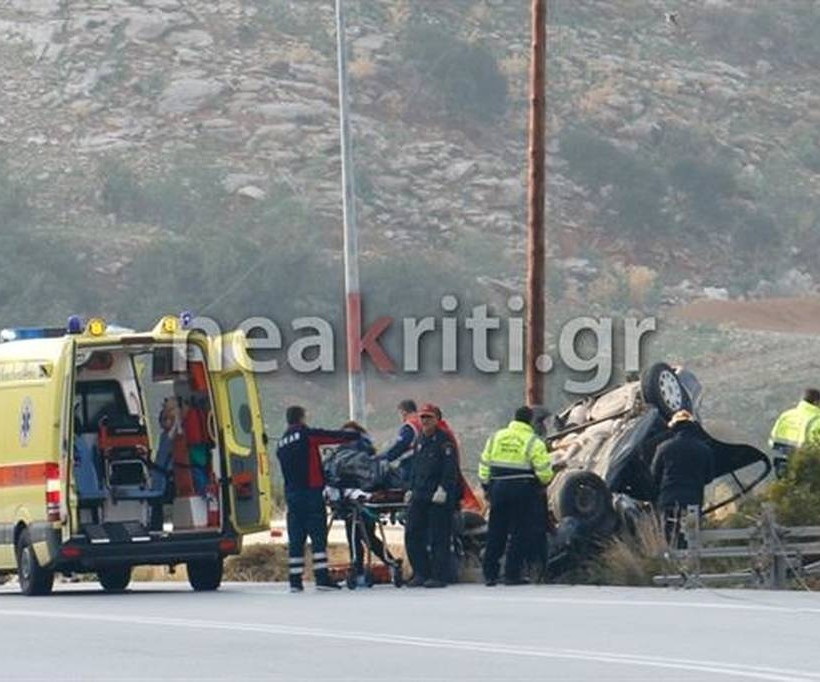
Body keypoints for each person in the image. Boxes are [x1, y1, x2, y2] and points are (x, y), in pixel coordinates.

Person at [276, 405, 359, 592]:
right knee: (318, 536)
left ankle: (295, 581)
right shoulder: (305, 434)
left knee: (296, 538)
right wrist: (353, 435)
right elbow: (329, 436)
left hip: (292, 495)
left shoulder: (281, 443)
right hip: (310, 492)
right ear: (302, 418)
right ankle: (322, 578)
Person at [479, 406, 553, 587]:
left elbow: (484, 466)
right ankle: (512, 574)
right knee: (520, 533)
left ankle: (490, 575)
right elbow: (545, 473)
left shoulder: (496, 437)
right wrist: (543, 482)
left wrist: (487, 487)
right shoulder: (533, 441)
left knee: (496, 532)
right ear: (530, 421)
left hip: (498, 489)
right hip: (522, 491)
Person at [404, 404, 458, 588]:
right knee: (412, 533)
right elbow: (415, 466)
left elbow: (450, 468)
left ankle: (438, 575)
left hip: (437, 495)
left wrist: (443, 488)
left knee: (438, 536)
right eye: (422, 417)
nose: (425, 421)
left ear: (437, 419)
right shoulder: (420, 440)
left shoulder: (445, 441)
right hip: (420, 492)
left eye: (428, 417)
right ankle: (421, 572)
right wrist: (410, 488)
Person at [338, 421, 391, 586]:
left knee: (358, 535)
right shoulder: (364, 450)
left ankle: (359, 568)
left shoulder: (350, 452)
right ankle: (387, 562)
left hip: (360, 499)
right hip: (359, 499)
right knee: (364, 536)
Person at [651, 410, 714, 546]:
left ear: (674, 427)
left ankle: (672, 564)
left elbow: (655, 476)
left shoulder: (663, 448)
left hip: (668, 500)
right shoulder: (704, 449)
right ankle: (691, 565)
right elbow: (709, 478)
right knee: (691, 539)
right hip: (692, 501)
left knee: (668, 539)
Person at [769, 389, 820, 478]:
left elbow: (772, 442)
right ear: (816, 403)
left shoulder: (786, 415)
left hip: (783, 465)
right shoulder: (816, 420)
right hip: (809, 468)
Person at [378, 399, 422, 485]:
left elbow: (399, 447)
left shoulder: (410, 426)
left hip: (410, 465)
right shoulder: (422, 422)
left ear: (403, 412)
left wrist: (381, 458)